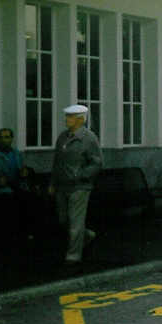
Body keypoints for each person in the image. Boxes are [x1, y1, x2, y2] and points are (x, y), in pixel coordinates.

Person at [50, 104, 103, 265]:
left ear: (80, 120)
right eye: (67, 116)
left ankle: (73, 256)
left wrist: (80, 176)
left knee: (75, 221)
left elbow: (97, 163)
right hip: (62, 186)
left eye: (70, 117)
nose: (67, 119)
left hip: (79, 187)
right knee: (63, 220)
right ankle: (86, 236)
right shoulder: (62, 137)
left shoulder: (89, 138)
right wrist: (52, 183)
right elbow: (57, 162)